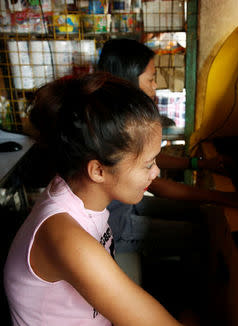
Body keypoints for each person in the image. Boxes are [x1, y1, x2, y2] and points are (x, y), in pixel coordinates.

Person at [3, 73, 182, 326]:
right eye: (148, 164)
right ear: (98, 171)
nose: (156, 172)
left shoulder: (72, 190)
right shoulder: (67, 238)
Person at [97, 38, 238, 254]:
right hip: (117, 226)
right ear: (128, 79)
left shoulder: (116, 112)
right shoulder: (116, 128)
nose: (155, 86)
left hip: (125, 206)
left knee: (199, 213)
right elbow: (156, 184)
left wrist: (200, 164)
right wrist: (226, 198)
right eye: (151, 79)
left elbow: (149, 160)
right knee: (200, 235)